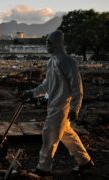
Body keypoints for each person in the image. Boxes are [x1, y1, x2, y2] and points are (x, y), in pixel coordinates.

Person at [23, 30, 93, 176]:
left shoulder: (68, 62)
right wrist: (33, 92)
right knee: (67, 135)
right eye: (46, 42)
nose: (46, 44)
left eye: (49, 42)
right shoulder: (52, 61)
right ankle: (85, 161)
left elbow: (77, 87)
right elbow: (47, 84)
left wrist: (75, 108)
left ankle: (43, 168)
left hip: (62, 107)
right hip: (54, 105)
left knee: (49, 137)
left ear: (56, 43)